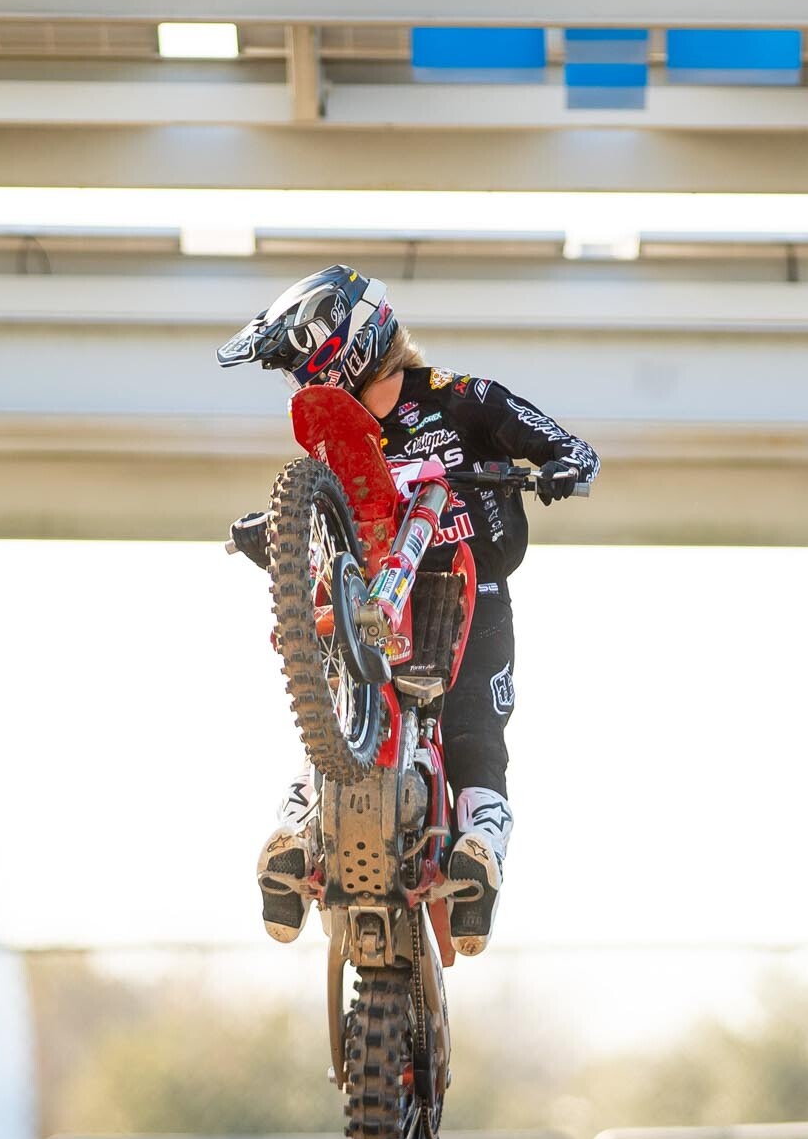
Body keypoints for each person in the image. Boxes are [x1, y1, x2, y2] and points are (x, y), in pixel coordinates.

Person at [217, 265, 597, 954]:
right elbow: (320, 514)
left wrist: (562, 464)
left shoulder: (461, 399)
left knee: (476, 727)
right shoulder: (339, 444)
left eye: (302, 363)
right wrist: (278, 532)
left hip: (464, 589)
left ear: (347, 341)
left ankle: (479, 854)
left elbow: (560, 442)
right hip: (372, 607)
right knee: (332, 720)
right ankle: (295, 837)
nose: (299, 381)